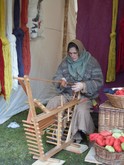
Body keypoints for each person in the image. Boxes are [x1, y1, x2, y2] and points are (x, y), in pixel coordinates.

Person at [46, 39, 104, 144]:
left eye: (75, 53)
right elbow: (57, 76)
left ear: (80, 51)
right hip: (68, 95)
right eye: (70, 53)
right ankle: (57, 130)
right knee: (54, 102)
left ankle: (81, 133)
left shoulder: (91, 62)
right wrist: (61, 81)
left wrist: (84, 85)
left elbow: (99, 81)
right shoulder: (65, 62)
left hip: (85, 97)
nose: (72, 56)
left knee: (81, 110)